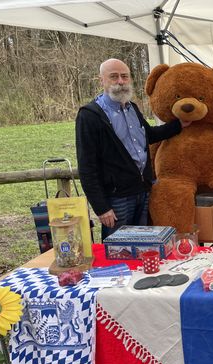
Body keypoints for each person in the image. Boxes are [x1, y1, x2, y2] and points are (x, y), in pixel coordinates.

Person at [76, 58, 189, 240]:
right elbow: (87, 166)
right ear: (101, 80)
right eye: (114, 77)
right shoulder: (90, 116)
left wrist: (178, 125)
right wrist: (101, 207)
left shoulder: (132, 108)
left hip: (143, 191)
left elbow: (149, 135)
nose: (120, 81)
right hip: (117, 198)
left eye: (124, 76)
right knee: (118, 250)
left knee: (141, 245)